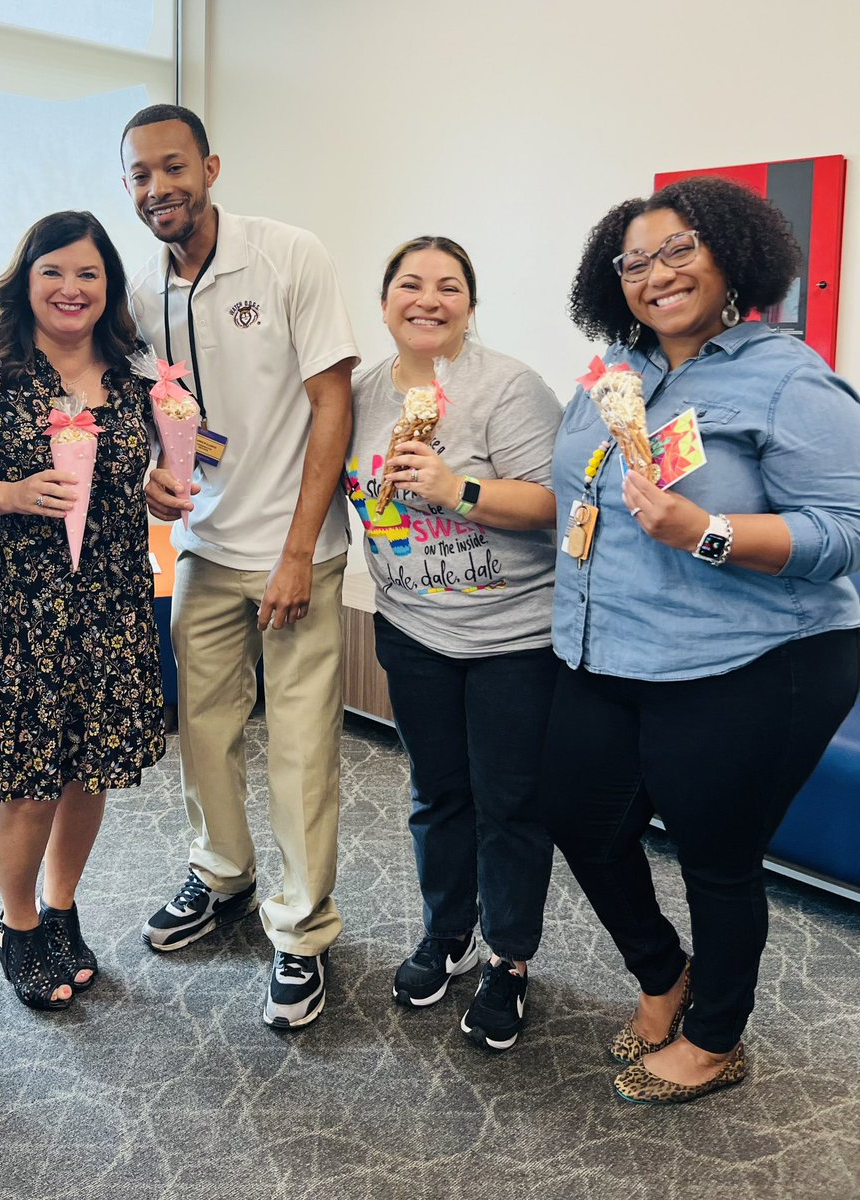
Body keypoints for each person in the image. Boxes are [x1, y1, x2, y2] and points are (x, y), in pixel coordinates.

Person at [544, 176, 860, 1104]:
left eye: (679, 249)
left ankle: (716, 1035)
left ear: (732, 256)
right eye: (634, 261)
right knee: (575, 815)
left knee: (715, 857)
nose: (656, 273)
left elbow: (843, 534)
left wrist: (708, 531)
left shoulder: (790, 379)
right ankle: (661, 973)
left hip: (751, 659)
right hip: (604, 648)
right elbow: (573, 496)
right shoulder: (615, 373)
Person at [120, 103, 358, 1029]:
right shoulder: (144, 292)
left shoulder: (288, 254)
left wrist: (298, 551)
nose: (156, 189)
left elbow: (329, 405)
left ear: (210, 168)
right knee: (204, 728)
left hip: (299, 549)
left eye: (171, 168)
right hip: (207, 549)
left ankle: (299, 935)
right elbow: (165, 409)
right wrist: (153, 475)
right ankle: (221, 872)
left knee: (300, 751)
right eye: (138, 175)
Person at [347, 236, 561, 1050]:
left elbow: (550, 503)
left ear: (470, 303)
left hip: (512, 636)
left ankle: (509, 958)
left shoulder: (506, 387)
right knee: (437, 795)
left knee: (508, 804)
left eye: (447, 287)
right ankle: (446, 934)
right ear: (384, 301)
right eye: (409, 284)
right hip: (411, 629)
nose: (427, 300)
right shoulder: (365, 391)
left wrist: (454, 487)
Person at [0, 211, 165, 1012]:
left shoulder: (135, 382)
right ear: (25, 277)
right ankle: (17, 922)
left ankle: (61, 904)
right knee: (29, 781)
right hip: (15, 611)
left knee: (91, 770)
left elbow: (143, 483)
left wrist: (163, 491)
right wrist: (9, 493)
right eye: (54, 272)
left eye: (89, 275)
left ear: (108, 289)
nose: (71, 289)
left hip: (111, 602)